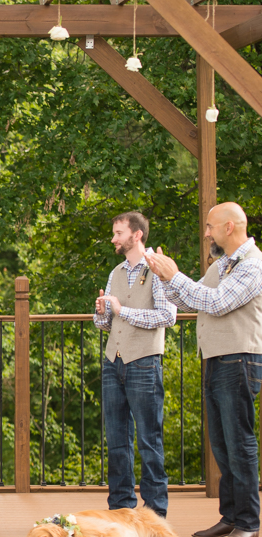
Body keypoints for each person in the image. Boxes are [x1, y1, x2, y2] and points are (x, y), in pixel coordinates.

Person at [146, 201, 262, 537]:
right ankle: (230, 516)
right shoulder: (222, 265)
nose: (206, 232)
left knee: (239, 442)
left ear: (230, 227)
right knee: (222, 445)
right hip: (216, 360)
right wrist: (165, 277)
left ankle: (249, 522)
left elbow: (216, 303)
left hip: (240, 360)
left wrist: (174, 275)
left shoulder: (252, 266)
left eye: (211, 226)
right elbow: (190, 299)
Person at [94, 212, 177, 519]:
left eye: (118, 233)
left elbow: (167, 317)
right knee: (116, 440)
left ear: (137, 235)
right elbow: (105, 323)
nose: (114, 238)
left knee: (149, 440)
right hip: (112, 362)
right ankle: (121, 509)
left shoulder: (158, 269)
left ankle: (155, 514)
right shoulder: (116, 272)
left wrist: (122, 310)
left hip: (144, 363)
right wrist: (102, 311)